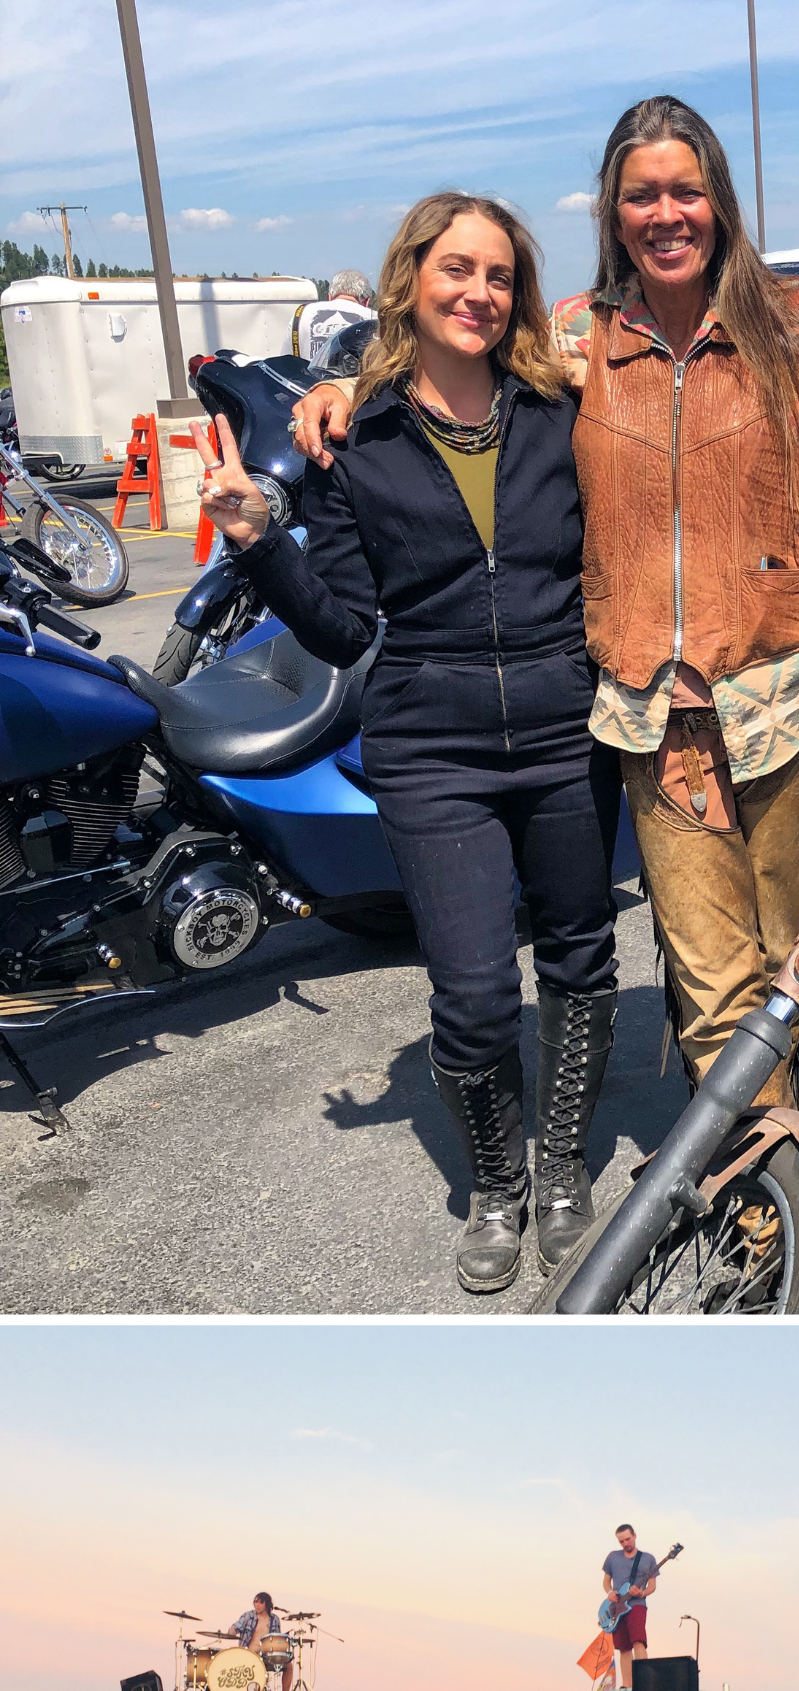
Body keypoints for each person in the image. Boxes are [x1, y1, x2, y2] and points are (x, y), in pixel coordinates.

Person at [292, 13, 799, 1124]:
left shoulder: (798, 325)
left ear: (719, 202)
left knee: (796, 953)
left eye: (684, 191)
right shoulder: (575, 340)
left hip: (783, 709)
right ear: (613, 213)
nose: (664, 214)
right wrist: (348, 389)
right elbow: (453, 346)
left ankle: (794, 1153)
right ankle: (758, 1183)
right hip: (657, 722)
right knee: (707, 980)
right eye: (641, 195)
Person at [196, 192, 622, 1292]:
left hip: (568, 726)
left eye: (499, 275)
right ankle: (498, 1178)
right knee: (475, 987)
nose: (479, 292)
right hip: (432, 744)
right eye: (458, 269)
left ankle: (563, 1162)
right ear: (412, 279)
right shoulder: (359, 434)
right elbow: (341, 624)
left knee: (579, 950)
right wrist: (257, 538)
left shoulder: (561, 407)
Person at [602, 1522, 658, 1689]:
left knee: (638, 1641)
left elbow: (652, 1586)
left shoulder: (648, 1558)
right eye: (622, 1541)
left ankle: (643, 1683)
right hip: (617, 1608)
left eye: (628, 1539)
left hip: (637, 1605)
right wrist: (610, 1592)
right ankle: (627, 1685)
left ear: (634, 1536)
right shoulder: (612, 1557)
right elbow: (606, 1581)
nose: (626, 1543)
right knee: (623, 1647)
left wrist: (641, 1593)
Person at [292, 270, 377, 366]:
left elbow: (288, 359)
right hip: (355, 380)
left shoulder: (301, 313)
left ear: (329, 297)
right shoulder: (375, 319)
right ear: (366, 301)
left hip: (310, 379)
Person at [222, 1590, 293, 1691]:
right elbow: (235, 1627)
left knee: (289, 1665)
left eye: (260, 1602)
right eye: (255, 1602)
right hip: (249, 1653)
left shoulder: (275, 1619)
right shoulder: (248, 1616)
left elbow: (276, 1639)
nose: (257, 1605)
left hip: (268, 1655)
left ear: (267, 1604)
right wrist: (231, 1630)